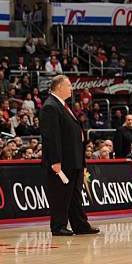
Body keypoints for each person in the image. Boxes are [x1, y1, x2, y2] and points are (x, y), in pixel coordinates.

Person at [40, 75, 99, 236]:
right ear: (59, 87)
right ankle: (58, 226)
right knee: (60, 194)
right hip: (62, 162)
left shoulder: (63, 105)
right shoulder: (50, 107)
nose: (71, 89)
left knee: (74, 195)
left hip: (74, 159)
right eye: (68, 85)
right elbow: (51, 137)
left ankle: (80, 225)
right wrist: (55, 160)